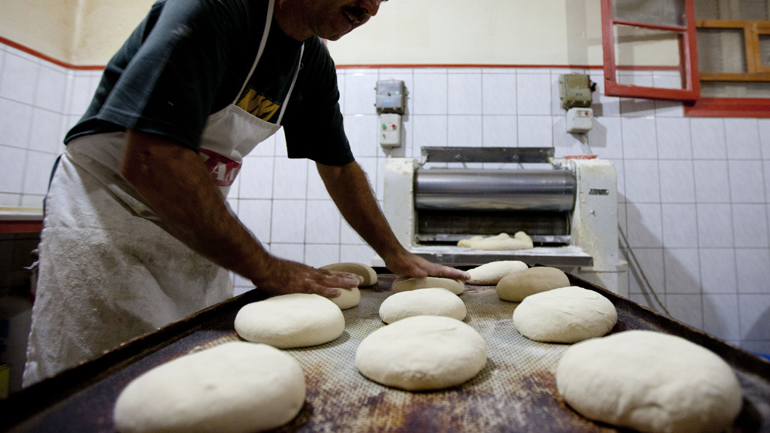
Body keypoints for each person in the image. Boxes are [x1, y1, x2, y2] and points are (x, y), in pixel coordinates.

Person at [23, 0, 469, 386]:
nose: (369, 8)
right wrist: (265, 266)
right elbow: (151, 159)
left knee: (195, 379)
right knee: (99, 382)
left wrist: (394, 254)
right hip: (108, 218)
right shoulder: (218, 8)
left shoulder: (308, 62)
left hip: (193, 228)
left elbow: (338, 166)